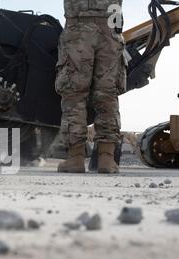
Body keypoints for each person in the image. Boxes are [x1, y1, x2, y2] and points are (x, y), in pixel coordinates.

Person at [56, 0, 126, 174]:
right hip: (111, 29)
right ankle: (106, 159)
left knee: (74, 95)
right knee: (107, 95)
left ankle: (75, 158)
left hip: (78, 29)